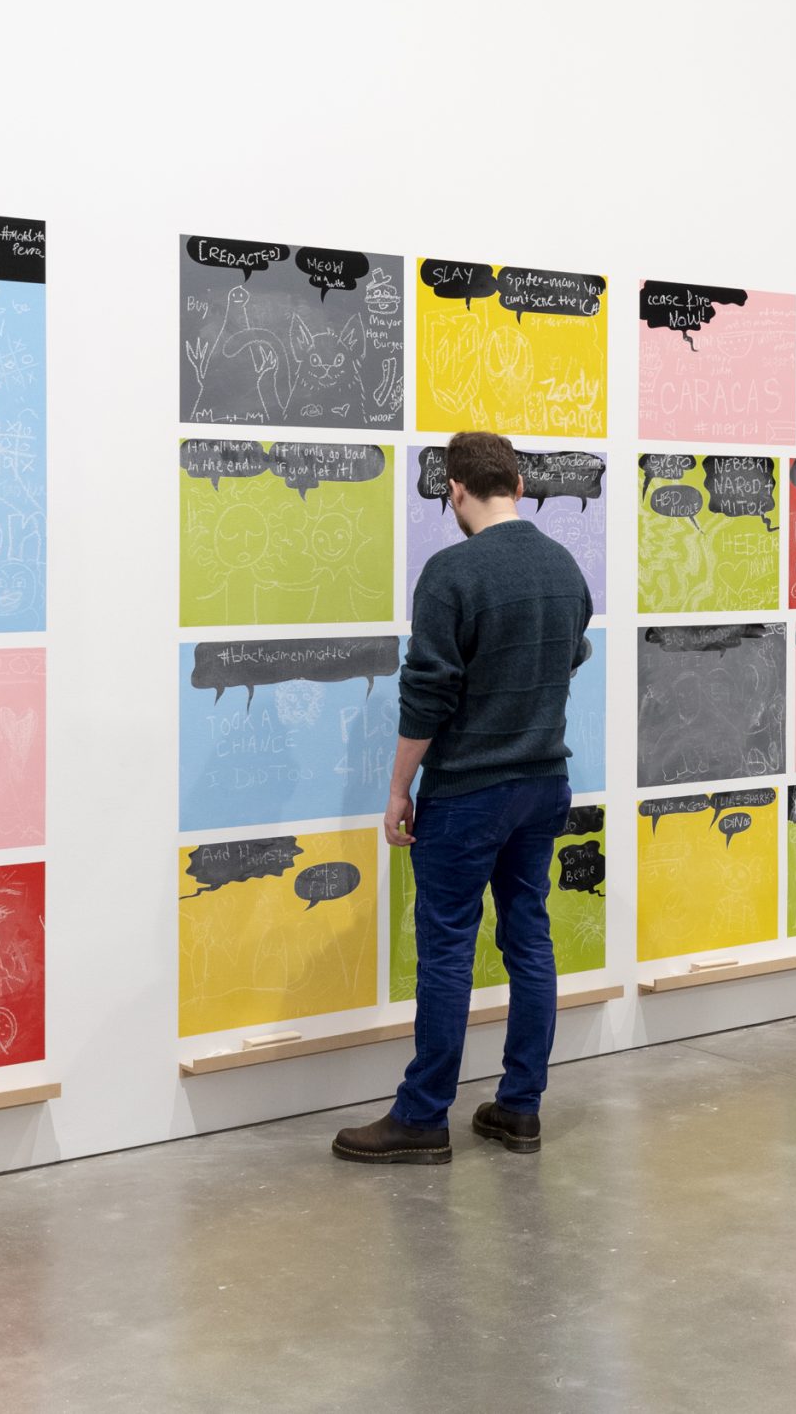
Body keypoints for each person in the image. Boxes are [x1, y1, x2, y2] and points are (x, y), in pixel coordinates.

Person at [332, 431, 593, 1165]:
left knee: (447, 949)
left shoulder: (451, 572)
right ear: (515, 480)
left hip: (470, 789)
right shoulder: (562, 564)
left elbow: (429, 691)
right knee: (528, 939)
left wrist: (396, 788)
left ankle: (422, 1117)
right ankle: (520, 1109)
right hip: (543, 783)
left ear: (456, 489)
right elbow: (572, 652)